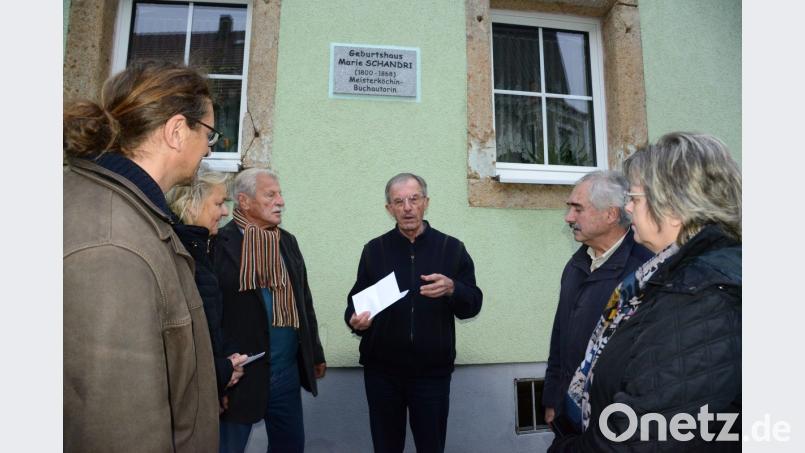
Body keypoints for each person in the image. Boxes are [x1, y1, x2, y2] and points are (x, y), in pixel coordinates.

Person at [550, 132, 741, 452]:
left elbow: (643, 433)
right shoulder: (667, 274)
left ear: (674, 207)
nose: (626, 208)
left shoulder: (700, 294)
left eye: (635, 198)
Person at [64, 61, 220, 452]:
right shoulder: (113, 245)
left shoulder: (129, 212)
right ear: (176, 131)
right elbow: (118, 428)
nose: (209, 147)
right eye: (209, 133)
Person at [345, 173, 483, 453]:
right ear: (389, 209)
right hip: (382, 372)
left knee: (431, 447)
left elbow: (473, 304)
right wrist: (355, 320)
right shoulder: (374, 250)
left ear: (426, 203)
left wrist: (452, 289)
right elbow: (355, 304)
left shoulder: (452, 248)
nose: (407, 207)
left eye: (414, 199)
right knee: (386, 447)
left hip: (432, 373)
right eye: (399, 201)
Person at [213, 168, 326, 453]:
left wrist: (314, 352)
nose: (280, 201)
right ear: (244, 201)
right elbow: (210, 316)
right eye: (270, 195)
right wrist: (216, 378)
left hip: (286, 372)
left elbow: (304, 301)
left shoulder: (286, 241)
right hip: (240, 375)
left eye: (280, 194)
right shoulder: (217, 244)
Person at [544, 171, 652, 429]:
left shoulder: (644, 269)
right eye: (569, 208)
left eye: (577, 209)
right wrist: (552, 398)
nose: (568, 218)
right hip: (570, 411)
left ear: (611, 214)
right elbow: (561, 335)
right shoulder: (576, 265)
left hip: (616, 417)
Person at [166, 166, 249, 402]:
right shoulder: (178, 253)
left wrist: (225, 364)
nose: (225, 212)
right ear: (192, 204)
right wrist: (221, 370)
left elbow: (211, 323)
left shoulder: (201, 248)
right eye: (219, 203)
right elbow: (180, 342)